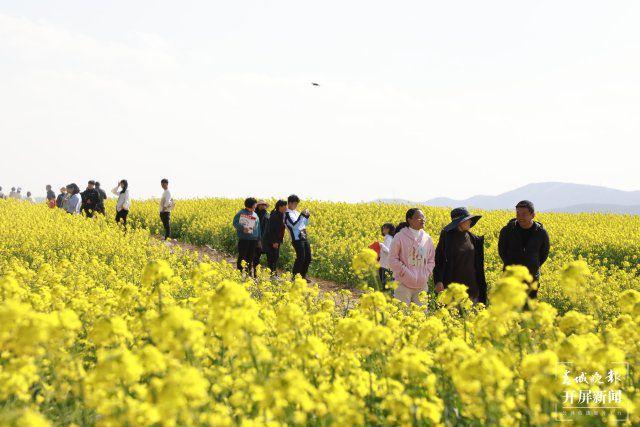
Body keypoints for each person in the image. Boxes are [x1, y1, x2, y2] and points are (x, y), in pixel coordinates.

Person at [433, 207, 488, 304]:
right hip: (453, 291)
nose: (470, 221)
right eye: (467, 219)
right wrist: (438, 281)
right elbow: (439, 260)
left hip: (472, 290)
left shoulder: (473, 238)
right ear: (459, 222)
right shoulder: (447, 237)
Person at [498, 200, 550, 299]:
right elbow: (502, 252)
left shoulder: (541, 233)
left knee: (528, 310)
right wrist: (511, 264)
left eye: (524, 214)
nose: (520, 217)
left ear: (533, 215)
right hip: (511, 278)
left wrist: (534, 265)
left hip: (531, 279)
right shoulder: (507, 231)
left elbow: (544, 254)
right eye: (518, 213)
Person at [388, 208, 436, 307]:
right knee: (402, 315)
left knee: (422, 316)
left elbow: (431, 259)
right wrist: (405, 273)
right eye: (419, 218)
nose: (422, 220)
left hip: (421, 285)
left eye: (423, 217)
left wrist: (426, 273)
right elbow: (392, 259)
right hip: (403, 284)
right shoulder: (400, 236)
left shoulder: (427, 238)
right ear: (409, 220)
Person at [285, 194, 312, 281]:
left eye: (297, 204)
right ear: (289, 203)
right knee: (301, 257)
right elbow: (294, 225)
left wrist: (306, 216)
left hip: (304, 236)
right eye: (295, 203)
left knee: (308, 257)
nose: (296, 205)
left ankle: (303, 275)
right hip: (296, 239)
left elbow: (304, 224)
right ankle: (295, 277)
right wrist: (302, 216)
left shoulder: (296, 213)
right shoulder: (287, 214)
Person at [233, 197, 261, 276]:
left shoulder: (255, 214)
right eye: (255, 204)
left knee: (250, 258)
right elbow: (235, 223)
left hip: (253, 239)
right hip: (244, 239)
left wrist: (259, 239)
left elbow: (258, 228)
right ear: (251, 205)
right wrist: (242, 228)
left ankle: (248, 274)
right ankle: (240, 273)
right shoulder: (241, 213)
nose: (256, 206)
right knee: (242, 257)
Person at [263, 200, 287, 274]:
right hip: (272, 240)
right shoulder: (275, 216)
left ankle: (273, 273)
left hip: (276, 240)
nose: (286, 208)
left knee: (275, 257)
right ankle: (272, 274)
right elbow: (271, 230)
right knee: (272, 257)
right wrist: (274, 241)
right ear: (280, 207)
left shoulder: (280, 214)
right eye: (284, 206)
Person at [252, 200, 270, 274]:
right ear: (258, 206)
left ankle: (261, 274)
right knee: (255, 256)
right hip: (255, 238)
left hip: (265, 238)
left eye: (264, 205)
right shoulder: (254, 214)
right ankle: (255, 273)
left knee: (261, 256)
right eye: (261, 205)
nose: (263, 206)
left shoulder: (267, 214)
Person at [378, 223, 396, 287]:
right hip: (384, 263)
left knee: (385, 283)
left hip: (386, 265)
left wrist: (381, 245)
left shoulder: (389, 238)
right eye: (383, 227)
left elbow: (388, 251)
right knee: (386, 282)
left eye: (385, 228)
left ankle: (386, 295)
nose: (383, 229)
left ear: (389, 230)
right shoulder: (389, 238)